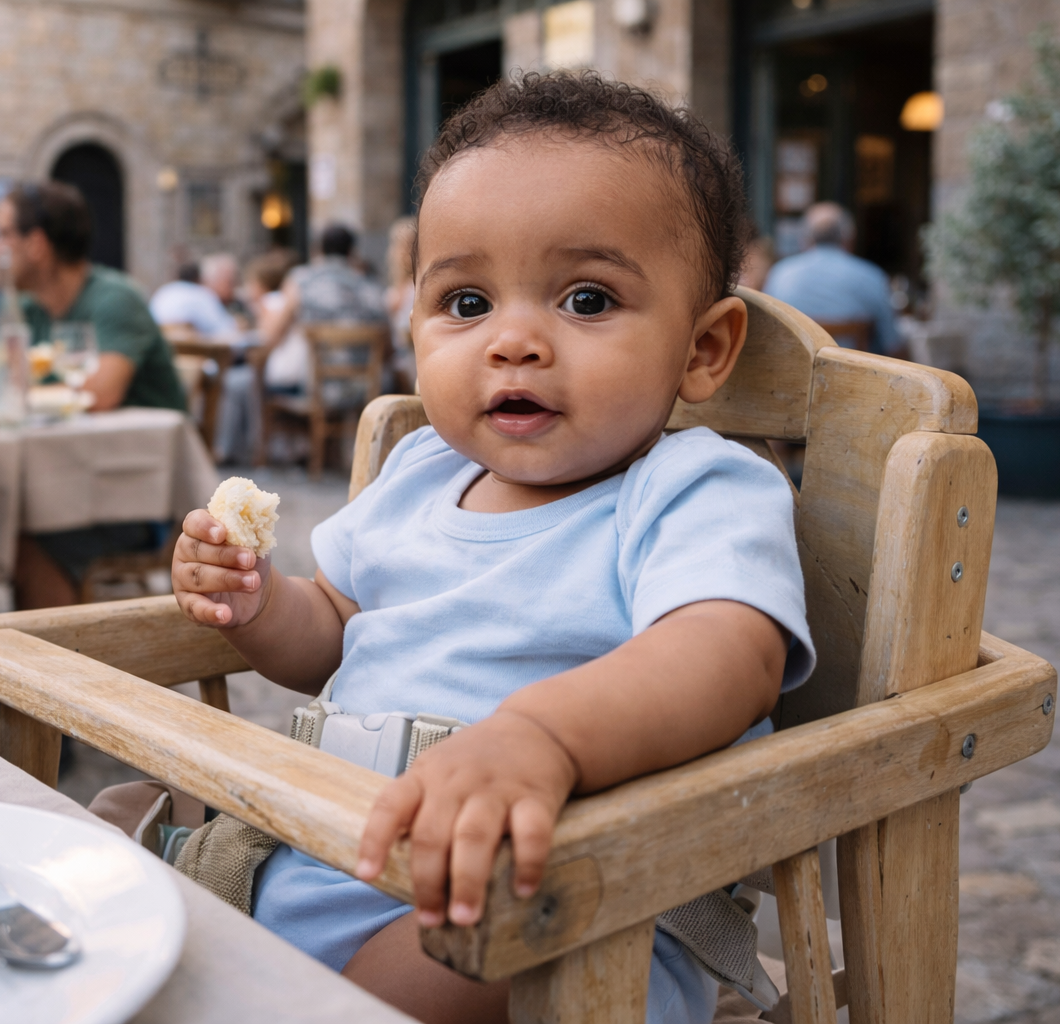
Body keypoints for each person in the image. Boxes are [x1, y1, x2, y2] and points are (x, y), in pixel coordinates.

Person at [169, 71, 814, 1024]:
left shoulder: (689, 490)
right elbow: (335, 633)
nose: (513, 341)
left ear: (703, 350)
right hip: (324, 852)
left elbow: (728, 653)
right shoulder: (420, 472)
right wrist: (259, 603)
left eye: (587, 299)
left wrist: (544, 737)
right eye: (466, 304)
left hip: (556, 902)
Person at [0, 180, 188, 608]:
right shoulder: (27, 309)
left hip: (135, 496)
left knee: (16, 541)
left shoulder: (115, 299)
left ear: (37, 243)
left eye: (3, 234)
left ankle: (59, 667)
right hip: (54, 485)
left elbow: (100, 394)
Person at [258, 223, 387, 399]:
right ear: (352, 252)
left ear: (318, 250)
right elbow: (388, 349)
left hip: (318, 393)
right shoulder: (370, 287)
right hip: (368, 394)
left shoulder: (301, 281)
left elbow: (272, 335)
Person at [763, 202, 901, 356]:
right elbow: (893, 344)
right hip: (853, 376)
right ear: (849, 238)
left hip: (792, 374)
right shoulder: (871, 276)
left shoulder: (780, 273)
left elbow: (766, 334)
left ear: (805, 239)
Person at [214, 251, 293, 464]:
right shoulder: (278, 301)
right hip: (288, 373)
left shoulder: (271, 303)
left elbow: (263, 343)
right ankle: (235, 447)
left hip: (280, 375)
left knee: (233, 382)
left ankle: (228, 449)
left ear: (260, 284)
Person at [148, 253, 241, 340]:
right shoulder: (202, 295)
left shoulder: (163, 291)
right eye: (230, 282)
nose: (234, 289)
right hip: (197, 356)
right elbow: (227, 334)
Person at [385, 216, 418, 391]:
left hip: (410, 365)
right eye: (397, 245)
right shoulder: (393, 291)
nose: (398, 251)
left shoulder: (417, 290)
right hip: (392, 364)